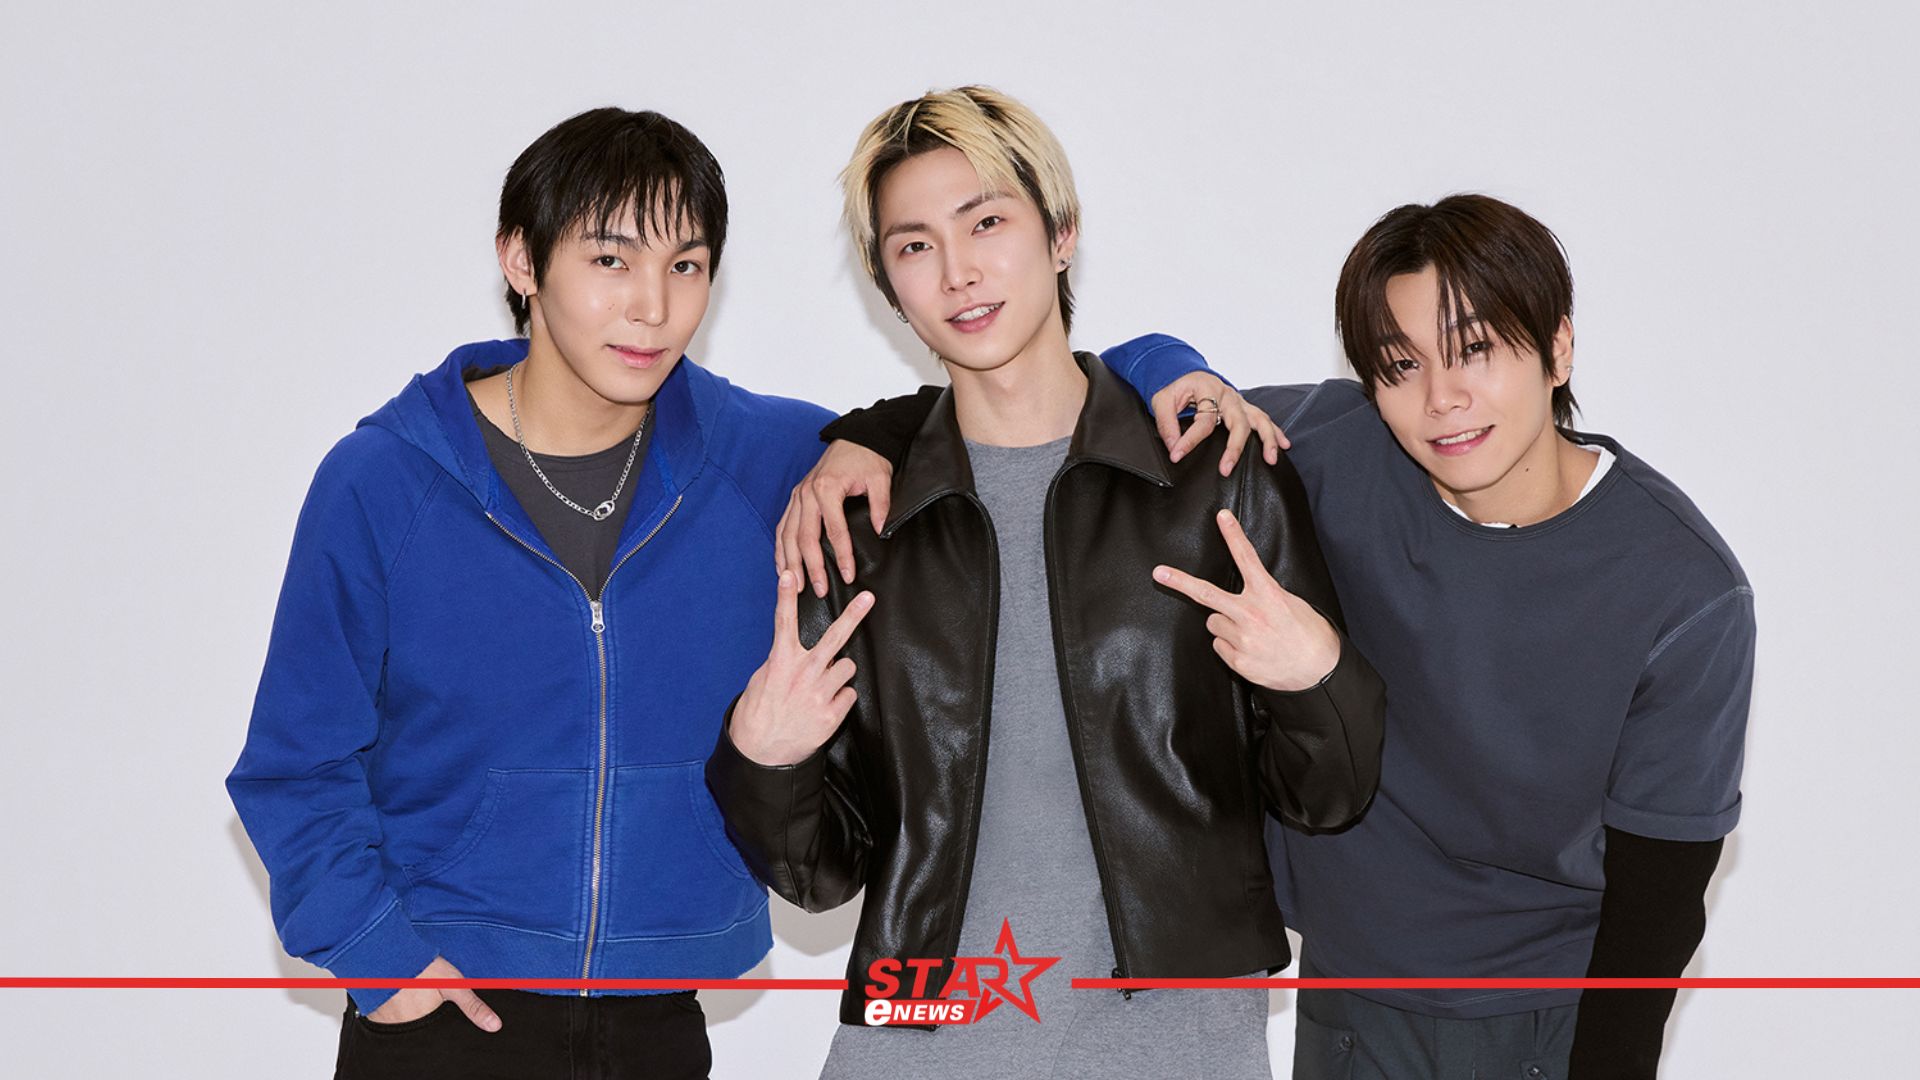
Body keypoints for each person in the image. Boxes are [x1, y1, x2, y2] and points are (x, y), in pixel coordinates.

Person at [226, 105, 1270, 1080]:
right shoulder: (386, 482)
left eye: (686, 265)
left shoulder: (766, 459)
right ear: (520, 261)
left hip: (658, 1016)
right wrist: (383, 962)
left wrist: (1160, 365)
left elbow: (1002, 398)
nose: (652, 306)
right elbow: (293, 766)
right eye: (609, 260)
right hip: (442, 1012)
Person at [799, 193, 1753, 1079]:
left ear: (1559, 347)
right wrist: (872, 434)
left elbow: (1661, 903)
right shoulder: (1327, 445)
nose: (1443, 399)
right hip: (1343, 1001)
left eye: (1476, 351)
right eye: (1402, 366)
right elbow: (1078, 388)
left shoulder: (1683, 590)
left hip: (1542, 1019)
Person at [704, 85, 1386, 1079]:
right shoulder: (856, 524)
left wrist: (1316, 677)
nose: (959, 271)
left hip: (1173, 1046)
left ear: (1062, 235)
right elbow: (821, 878)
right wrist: (763, 762)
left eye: (986, 222)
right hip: (918, 1048)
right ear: (890, 287)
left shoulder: (1217, 474)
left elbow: (1329, 797)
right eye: (915, 246)